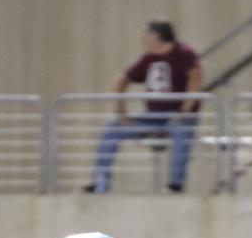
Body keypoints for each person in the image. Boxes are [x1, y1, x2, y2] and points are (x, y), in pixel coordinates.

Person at [85, 21, 203, 194]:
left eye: (147, 35)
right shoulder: (149, 58)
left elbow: (195, 79)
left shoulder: (183, 53)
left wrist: (185, 110)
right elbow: (123, 79)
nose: (144, 39)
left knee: (182, 132)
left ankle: (175, 183)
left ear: (156, 36)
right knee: (111, 130)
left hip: (177, 115)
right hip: (152, 115)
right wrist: (121, 111)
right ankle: (100, 182)